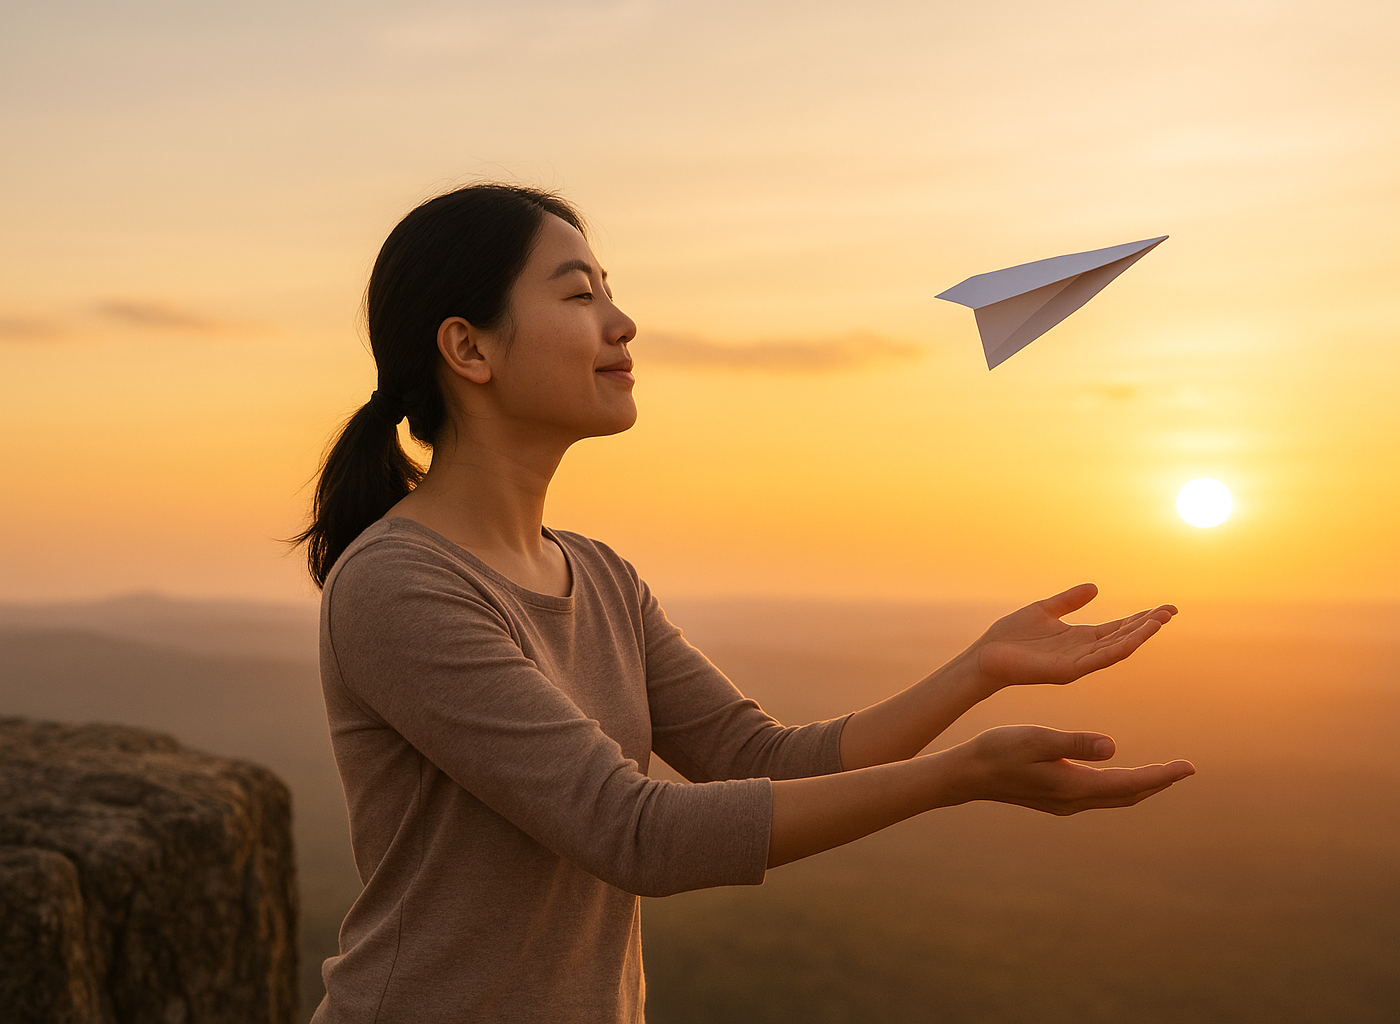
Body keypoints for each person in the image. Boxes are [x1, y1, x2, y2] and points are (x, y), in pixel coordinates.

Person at [296, 183, 1195, 1024]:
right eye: (579, 297)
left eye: (611, 291)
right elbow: (633, 832)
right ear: (469, 348)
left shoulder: (599, 576)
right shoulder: (399, 585)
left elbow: (765, 759)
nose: (623, 322)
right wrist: (960, 777)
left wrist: (977, 670)